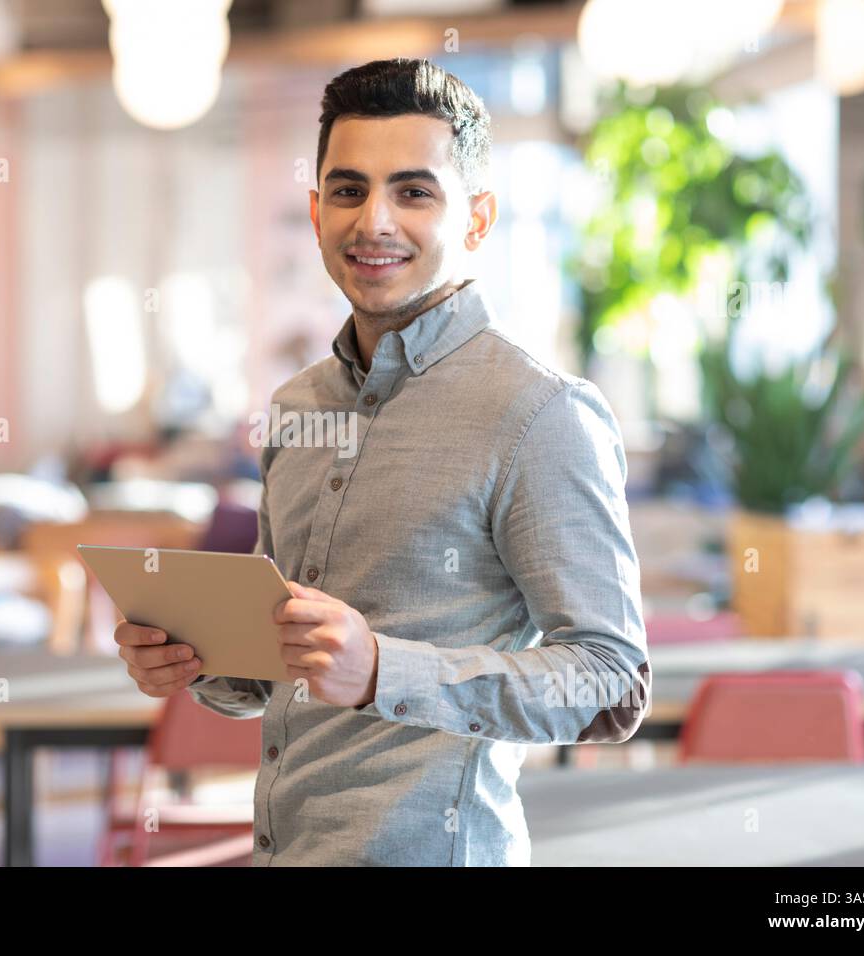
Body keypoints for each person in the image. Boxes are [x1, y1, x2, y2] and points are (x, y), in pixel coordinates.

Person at [115, 57, 650, 866]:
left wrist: (383, 671)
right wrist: (194, 659)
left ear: (476, 218)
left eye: (414, 191)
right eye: (348, 189)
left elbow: (610, 683)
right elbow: (279, 661)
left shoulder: (541, 415)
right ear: (316, 209)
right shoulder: (296, 408)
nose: (374, 221)